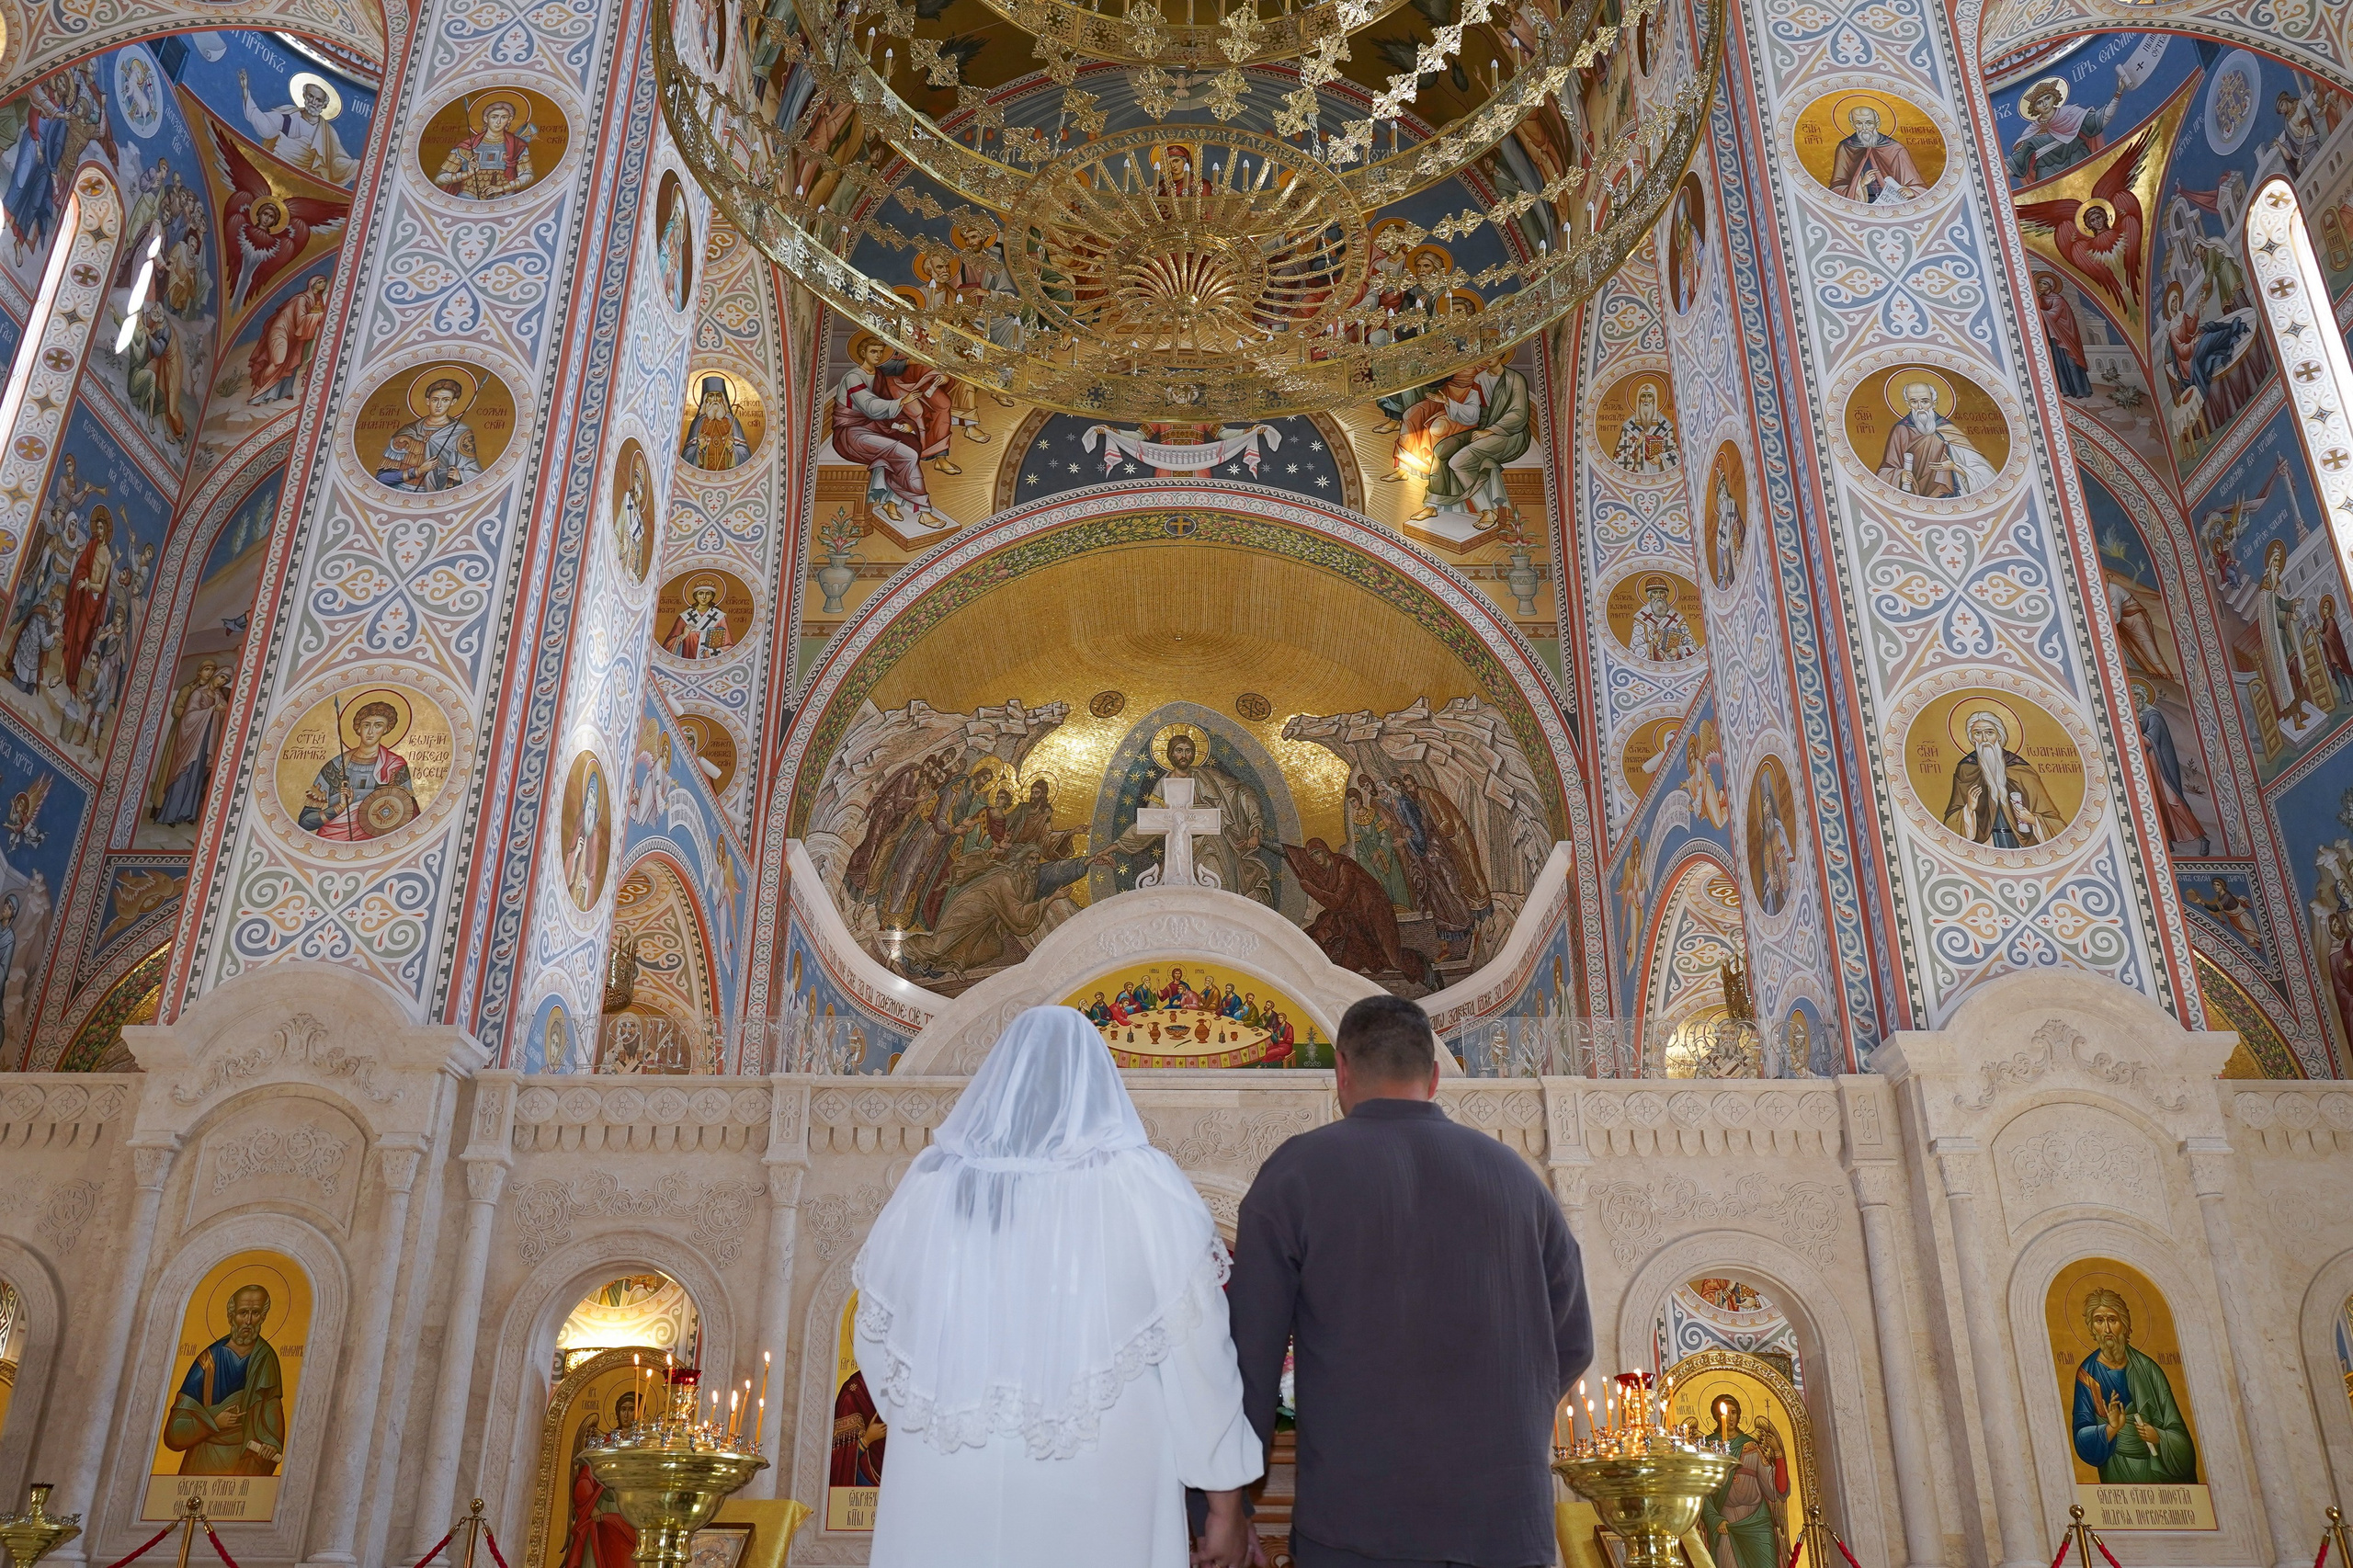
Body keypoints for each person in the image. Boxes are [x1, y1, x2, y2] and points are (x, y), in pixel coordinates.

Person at [850, 1006, 1261, 1567]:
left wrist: (949, 1410)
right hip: (1099, 1480)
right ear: (1097, 1084)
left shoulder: (931, 1186)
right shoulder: (1143, 1187)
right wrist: (1224, 1502)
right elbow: (1200, 1354)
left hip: (948, 1476)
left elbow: (877, 1334)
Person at [1229, 994, 1592, 1568]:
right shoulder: (1516, 1180)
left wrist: (1225, 1509)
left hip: (1359, 1529)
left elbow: (1249, 1358)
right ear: (1435, 1076)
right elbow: (1572, 1344)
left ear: (1341, 1071)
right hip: (1505, 1530)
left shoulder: (1297, 1174)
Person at [2069, 1288, 2197, 1484]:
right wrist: (2112, 1429)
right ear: (2092, 1328)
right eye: (2099, 1321)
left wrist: (2159, 1437)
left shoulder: (2149, 1370)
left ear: (2125, 1325)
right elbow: (2081, 1436)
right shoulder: (2087, 1375)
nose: (2107, 1330)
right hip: (2117, 1469)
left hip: (2159, 1472)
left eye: (2112, 1320)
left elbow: (2179, 1433)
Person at [163, 1284, 285, 1475]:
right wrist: (213, 1421)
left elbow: (271, 1405)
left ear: (263, 1317)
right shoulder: (209, 1360)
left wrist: (271, 1441)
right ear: (231, 1316)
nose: (249, 1321)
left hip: (246, 1459)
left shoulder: (266, 1358)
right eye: (243, 1313)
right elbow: (176, 1429)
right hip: (205, 1457)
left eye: (255, 1313)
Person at [1940, 709, 2065, 847]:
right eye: (1977, 733)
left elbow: (2053, 820)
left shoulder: (2020, 769)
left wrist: (2034, 820)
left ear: (1999, 736)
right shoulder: (1966, 768)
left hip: (2021, 844)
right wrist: (1968, 810)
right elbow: (1951, 821)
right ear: (1972, 738)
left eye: (1989, 732)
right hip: (1986, 845)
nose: (1984, 739)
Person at [1877, 380, 1995, 496]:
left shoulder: (1948, 430)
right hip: (1912, 495)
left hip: (1947, 496)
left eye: (1925, 401)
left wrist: (1954, 467)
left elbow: (1985, 473)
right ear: (1908, 404)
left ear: (1934, 403)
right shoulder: (1901, 430)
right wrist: (1900, 475)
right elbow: (1886, 470)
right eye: (1914, 402)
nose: (1920, 407)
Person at [1827, 104, 1926, 204]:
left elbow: (1917, 187)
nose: (1864, 128)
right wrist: (1861, 184)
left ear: (1877, 124)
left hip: (1892, 203)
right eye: (1859, 123)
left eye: (1869, 123)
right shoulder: (1846, 147)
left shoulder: (1896, 149)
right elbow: (1836, 188)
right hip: (1861, 203)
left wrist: (1911, 191)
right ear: (1853, 125)